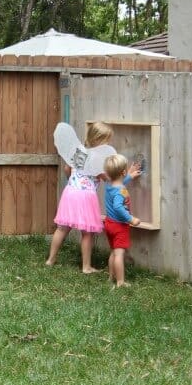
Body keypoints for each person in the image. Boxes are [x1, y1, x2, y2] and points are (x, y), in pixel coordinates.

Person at [45, 121, 114, 272]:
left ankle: (50, 260)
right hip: (86, 196)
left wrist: (73, 180)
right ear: (100, 140)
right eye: (107, 140)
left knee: (62, 228)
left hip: (70, 192)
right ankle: (86, 266)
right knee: (87, 233)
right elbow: (105, 176)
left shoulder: (80, 150)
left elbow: (67, 168)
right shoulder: (98, 157)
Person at [103, 154, 141, 288]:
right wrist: (131, 219)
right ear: (123, 172)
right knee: (119, 254)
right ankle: (120, 281)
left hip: (109, 224)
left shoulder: (109, 185)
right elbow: (118, 207)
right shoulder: (121, 191)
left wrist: (129, 176)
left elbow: (118, 182)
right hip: (119, 226)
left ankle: (111, 277)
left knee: (113, 252)